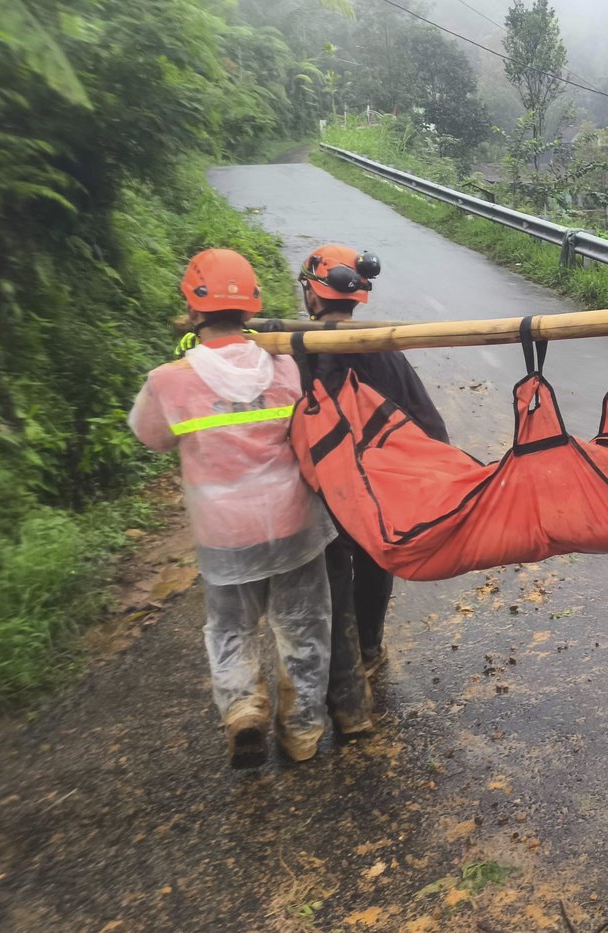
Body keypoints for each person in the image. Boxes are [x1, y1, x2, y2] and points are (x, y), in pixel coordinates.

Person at [128, 249, 335, 767]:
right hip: (294, 523)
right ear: (250, 308)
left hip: (224, 536)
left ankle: (243, 707)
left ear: (193, 310)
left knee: (229, 628)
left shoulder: (167, 380)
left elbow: (150, 438)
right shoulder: (285, 367)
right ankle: (303, 733)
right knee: (304, 626)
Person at [283, 245, 450, 727]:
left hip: (328, 488)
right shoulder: (381, 346)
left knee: (331, 570)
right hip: (380, 487)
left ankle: (342, 670)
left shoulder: (296, 349)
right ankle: (369, 647)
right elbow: (426, 420)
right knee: (377, 559)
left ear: (312, 293)